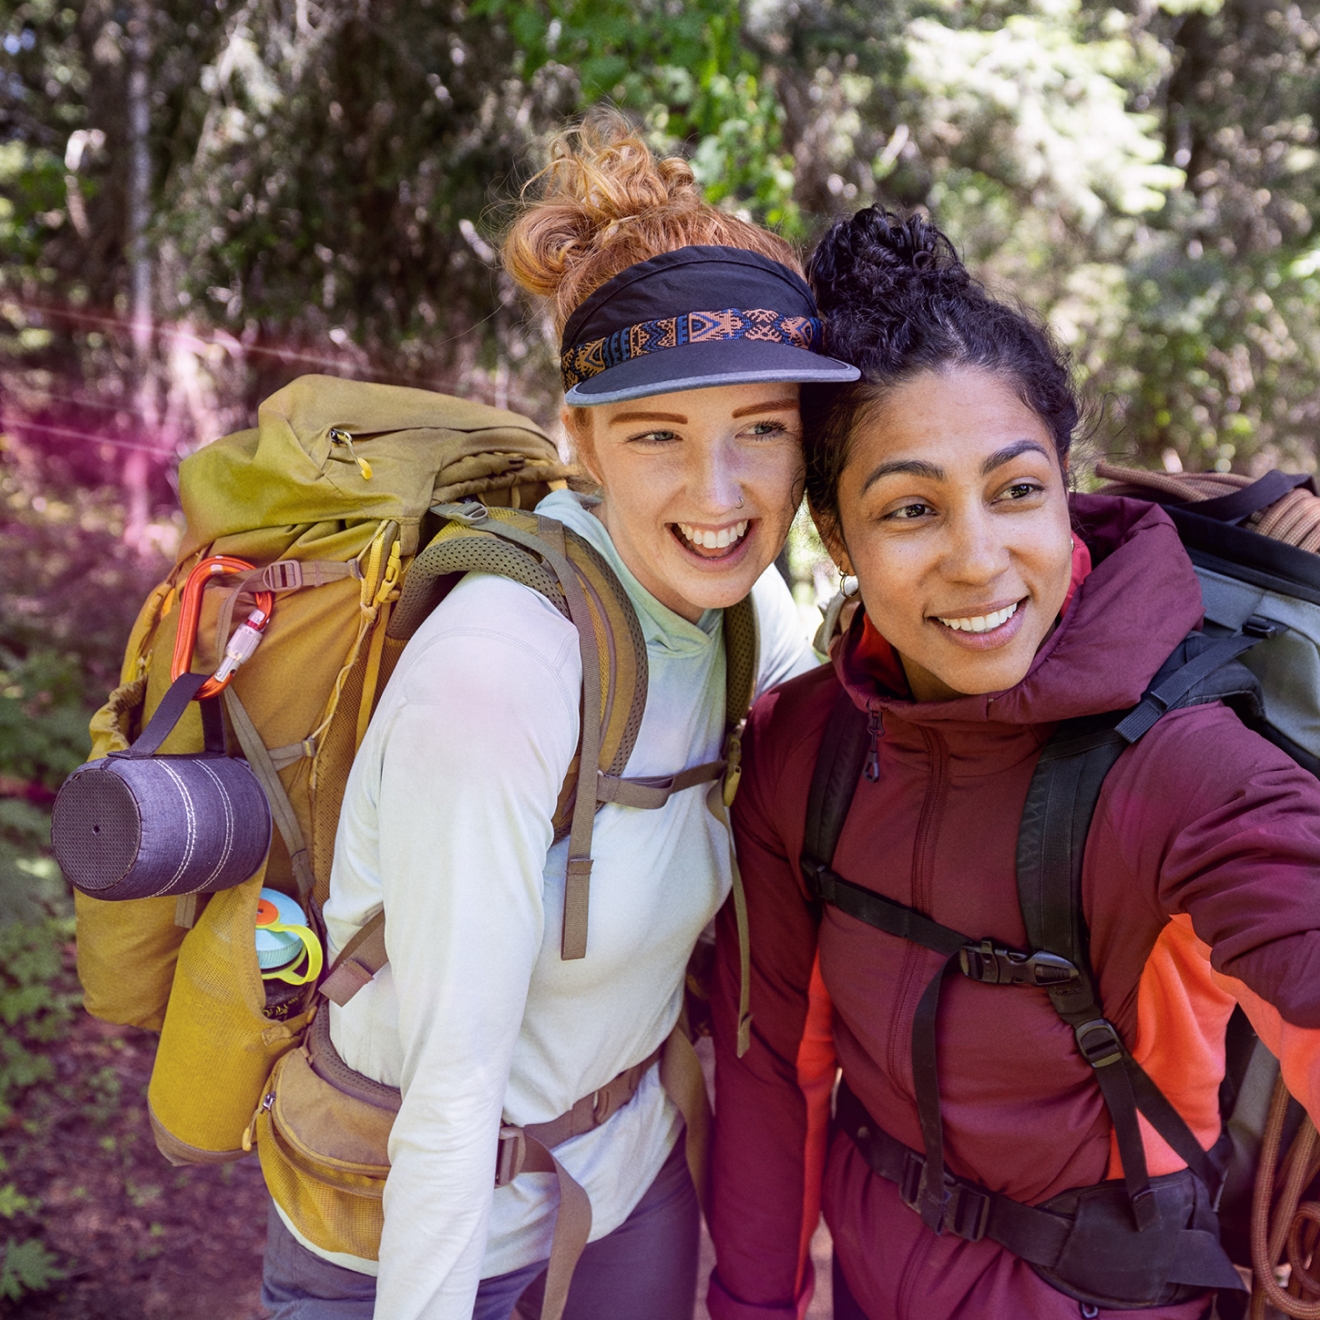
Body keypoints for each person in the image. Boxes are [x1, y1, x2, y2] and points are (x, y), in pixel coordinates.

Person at [258, 111, 858, 1320]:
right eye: (657, 436)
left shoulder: (746, 613)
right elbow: (451, 1091)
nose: (719, 493)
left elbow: (885, 713)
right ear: (578, 439)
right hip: (415, 1234)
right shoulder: (497, 673)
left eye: (762, 431)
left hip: (624, 1173)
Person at [706, 208, 1320, 1320]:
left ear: (1066, 483)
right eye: (910, 509)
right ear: (836, 539)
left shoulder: (1179, 767)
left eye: (1016, 490)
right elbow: (771, 1073)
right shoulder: (806, 748)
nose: (980, 559)